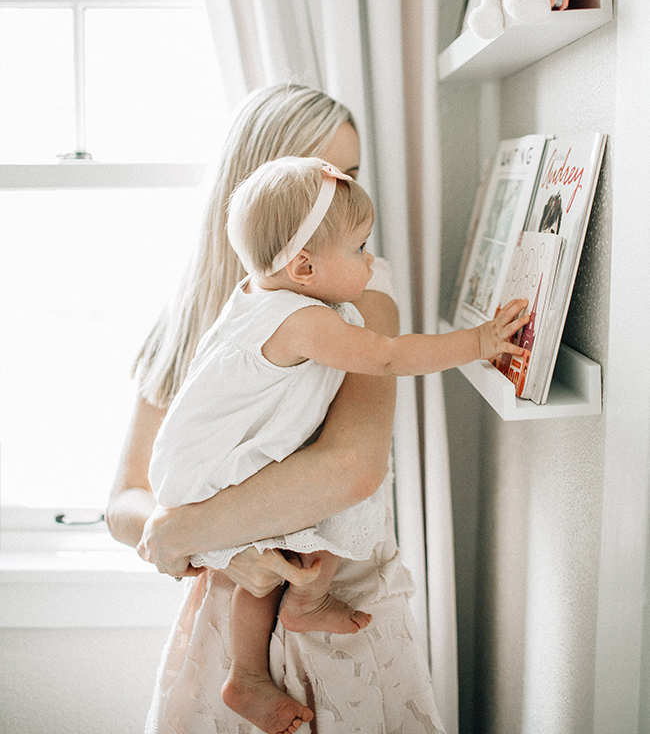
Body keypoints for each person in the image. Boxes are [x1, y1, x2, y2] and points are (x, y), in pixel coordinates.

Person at [106, 84, 452, 733]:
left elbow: (350, 467)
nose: (345, 195)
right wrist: (214, 546)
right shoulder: (195, 318)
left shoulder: (362, 298)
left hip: (341, 606)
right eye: (324, 177)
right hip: (224, 627)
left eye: (350, 175)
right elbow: (127, 498)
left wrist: (187, 531)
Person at [146, 154, 528, 734]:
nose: (372, 261)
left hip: (200, 461)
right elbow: (387, 356)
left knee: (288, 533)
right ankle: (250, 671)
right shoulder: (303, 321)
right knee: (292, 523)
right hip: (217, 469)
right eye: (358, 249)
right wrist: (477, 342)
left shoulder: (255, 295)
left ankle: (293, 616)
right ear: (302, 267)